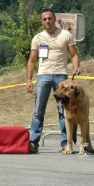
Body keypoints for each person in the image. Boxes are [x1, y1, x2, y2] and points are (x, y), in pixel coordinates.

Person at [27, 9, 80, 153]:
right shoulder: (37, 38)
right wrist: (29, 80)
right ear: (41, 21)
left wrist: (76, 67)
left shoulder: (66, 35)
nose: (47, 21)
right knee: (38, 111)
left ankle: (66, 144)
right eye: (44, 19)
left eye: (50, 18)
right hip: (43, 76)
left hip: (61, 76)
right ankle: (33, 143)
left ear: (55, 19)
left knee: (64, 111)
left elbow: (74, 54)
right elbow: (32, 61)